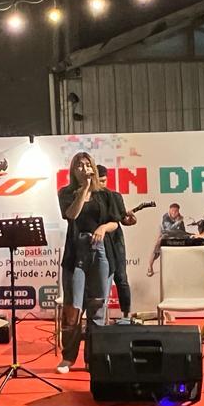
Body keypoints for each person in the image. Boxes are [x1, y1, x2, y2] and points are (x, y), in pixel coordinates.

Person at [56, 152, 127, 373]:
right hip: (76, 252)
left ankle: (92, 358)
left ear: (93, 168)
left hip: (101, 251)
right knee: (73, 308)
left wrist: (103, 228)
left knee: (97, 306)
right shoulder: (66, 193)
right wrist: (85, 189)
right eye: (79, 165)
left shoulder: (106, 195)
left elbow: (115, 222)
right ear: (73, 170)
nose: (84, 168)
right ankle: (68, 358)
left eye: (87, 164)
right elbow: (71, 215)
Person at [97, 165, 137, 324]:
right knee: (100, 280)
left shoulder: (115, 196)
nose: (102, 184)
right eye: (99, 181)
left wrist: (131, 220)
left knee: (121, 277)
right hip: (98, 240)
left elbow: (122, 220)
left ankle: (126, 315)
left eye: (104, 180)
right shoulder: (89, 198)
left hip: (115, 239)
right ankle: (99, 317)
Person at [146, 203, 186, 278]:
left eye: (176, 211)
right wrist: (178, 222)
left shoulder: (180, 218)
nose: (174, 212)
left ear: (178, 211)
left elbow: (183, 231)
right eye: (172, 210)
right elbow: (168, 229)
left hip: (173, 235)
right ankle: (150, 267)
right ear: (169, 210)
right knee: (156, 248)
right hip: (163, 233)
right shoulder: (166, 217)